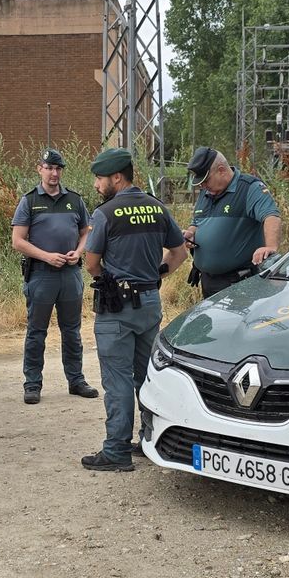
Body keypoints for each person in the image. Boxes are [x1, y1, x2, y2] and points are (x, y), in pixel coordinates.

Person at [81, 147, 188, 472]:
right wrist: (157, 275)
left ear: (117, 177)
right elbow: (179, 252)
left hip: (117, 307)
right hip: (149, 303)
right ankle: (149, 440)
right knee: (147, 377)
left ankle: (116, 450)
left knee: (117, 380)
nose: (97, 185)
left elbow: (91, 263)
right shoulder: (157, 207)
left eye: (100, 178)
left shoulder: (105, 213)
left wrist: (112, 280)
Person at [11, 149, 100, 405]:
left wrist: (79, 251)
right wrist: (46, 256)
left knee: (72, 331)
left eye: (58, 168)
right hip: (42, 275)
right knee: (36, 332)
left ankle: (76, 380)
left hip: (70, 275)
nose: (54, 173)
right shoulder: (29, 201)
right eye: (49, 168)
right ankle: (32, 384)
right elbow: (18, 241)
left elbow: (86, 232)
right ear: (39, 169)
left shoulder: (74, 200)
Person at [183, 146, 282, 298]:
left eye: (206, 180)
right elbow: (197, 222)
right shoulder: (206, 192)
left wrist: (270, 247)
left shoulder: (249, 188)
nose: (202, 186)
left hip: (239, 282)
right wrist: (191, 233)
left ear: (221, 170)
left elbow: (271, 216)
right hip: (209, 281)